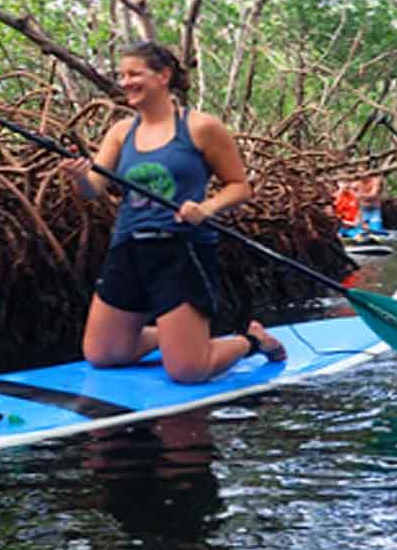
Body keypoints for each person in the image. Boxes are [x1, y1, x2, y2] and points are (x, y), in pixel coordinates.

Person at [59, 40, 286, 383]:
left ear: (163, 76)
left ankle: (252, 339)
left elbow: (240, 186)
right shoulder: (121, 132)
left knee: (188, 372)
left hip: (181, 250)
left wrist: (206, 208)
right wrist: (79, 177)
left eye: (135, 74)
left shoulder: (201, 127)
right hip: (128, 247)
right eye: (122, 75)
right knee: (103, 355)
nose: (125, 82)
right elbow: (94, 190)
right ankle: (177, 338)